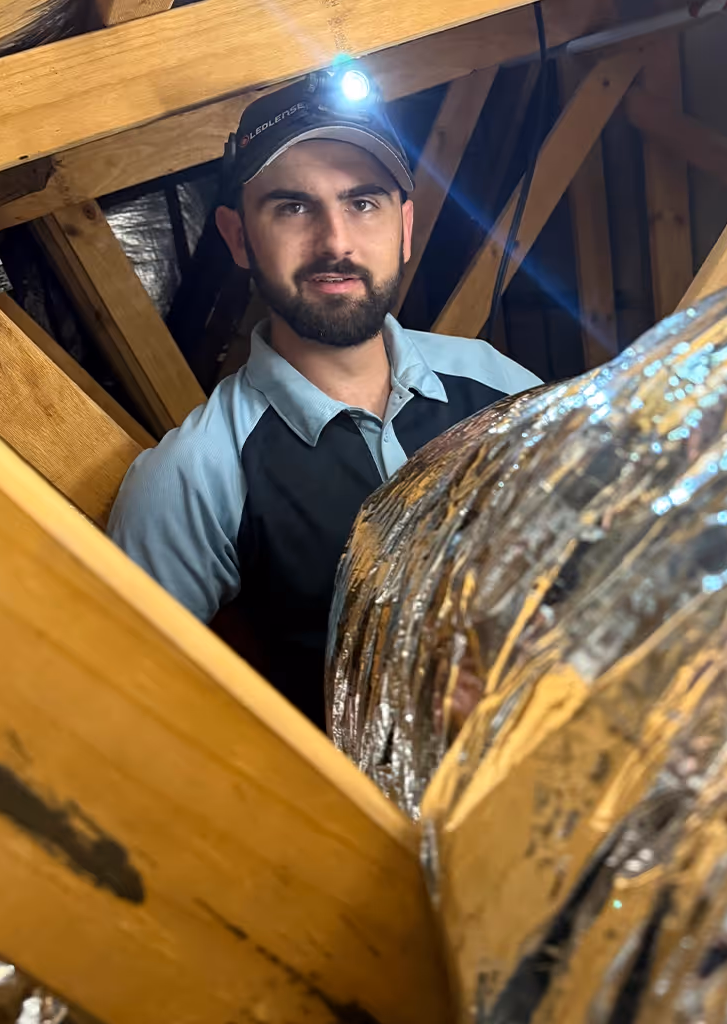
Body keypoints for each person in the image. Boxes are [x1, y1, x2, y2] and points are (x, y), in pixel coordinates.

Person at [108, 66, 541, 727]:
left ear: (403, 225)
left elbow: (611, 560)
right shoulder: (196, 475)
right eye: (292, 207)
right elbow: (127, 714)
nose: (335, 242)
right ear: (237, 236)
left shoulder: (496, 383)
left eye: (362, 202)